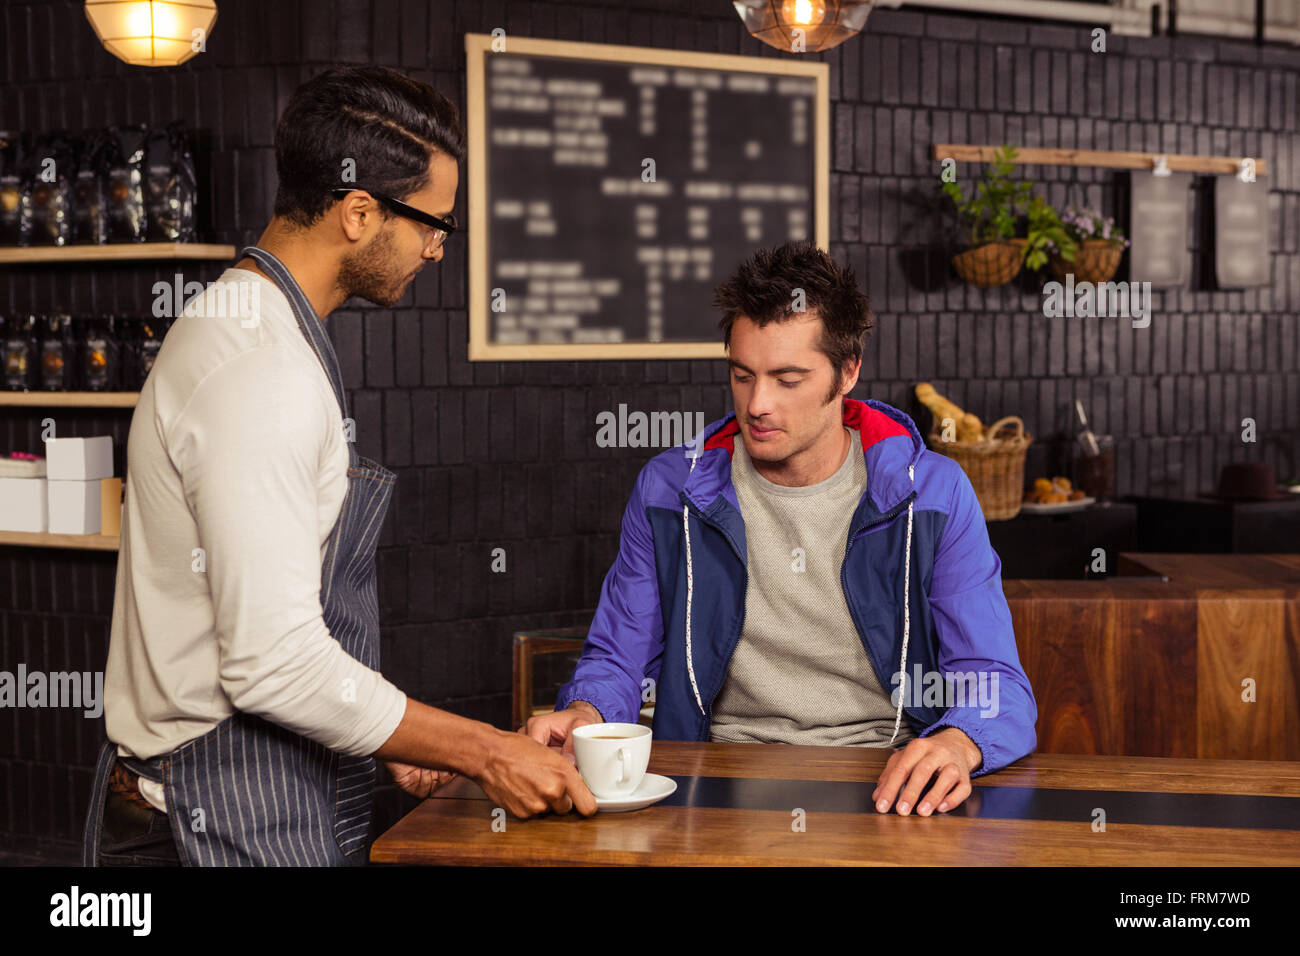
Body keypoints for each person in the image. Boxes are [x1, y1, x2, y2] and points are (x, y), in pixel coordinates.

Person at [84, 66, 595, 868]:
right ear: (359, 212)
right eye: (434, 224)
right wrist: (486, 751)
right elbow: (272, 661)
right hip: (220, 802)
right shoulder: (261, 371)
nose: (435, 248)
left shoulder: (248, 322)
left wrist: (377, 730)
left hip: (252, 779)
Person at [526, 242, 1036, 817]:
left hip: (887, 781)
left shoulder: (934, 494)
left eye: (787, 379)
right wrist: (588, 712)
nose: (757, 404)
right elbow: (618, 657)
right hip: (712, 783)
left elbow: (995, 682)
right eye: (742, 376)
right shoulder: (668, 489)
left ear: (848, 371)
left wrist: (959, 740)